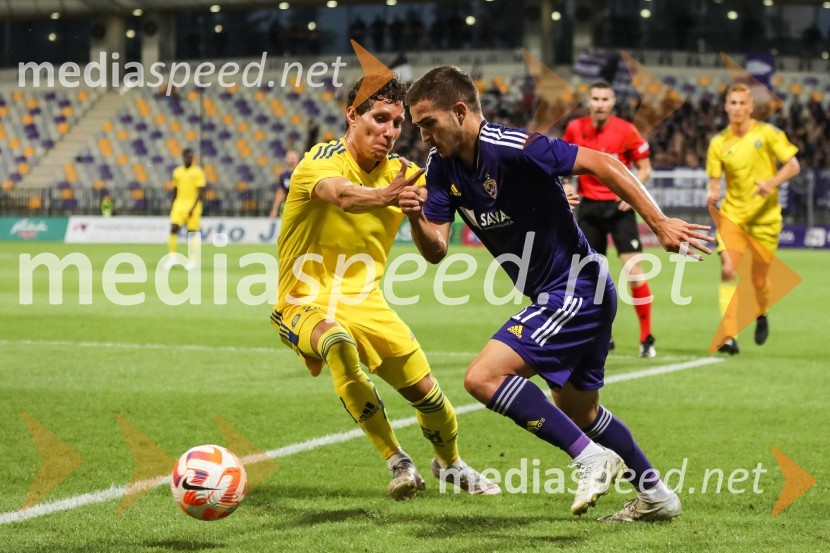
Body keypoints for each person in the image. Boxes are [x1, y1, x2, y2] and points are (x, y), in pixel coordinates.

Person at [403, 66, 711, 521]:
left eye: (428, 123)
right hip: (573, 292)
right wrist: (415, 217)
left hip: (574, 287)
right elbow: (436, 250)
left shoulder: (513, 147)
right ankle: (656, 495)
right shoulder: (441, 166)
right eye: (418, 127)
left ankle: (589, 458)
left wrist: (659, 223)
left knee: (483, 378)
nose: (423, 136)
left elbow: (604, 163)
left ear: (460, 111)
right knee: (581, 413)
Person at [270, 76, 499, 500]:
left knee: (431, 399)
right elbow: (343, 196)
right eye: (379, 119)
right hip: (303, 302)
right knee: (337, 343)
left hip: (368, 304)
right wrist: (389, 196)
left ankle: (450, 464)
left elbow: (440, 242)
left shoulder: (406, 175)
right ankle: (398, 461)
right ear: (352, 116)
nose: (390, 132)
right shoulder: (319, 160)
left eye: (397, 123)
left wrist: (414, 215)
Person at [562, 81, 656, 358]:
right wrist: (567, 185)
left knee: (634, 271)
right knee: (592, 276)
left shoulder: (626, 130)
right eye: (596, 98)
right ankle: (603, 333)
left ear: (613, 102)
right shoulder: (575, 128)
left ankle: (646, 337)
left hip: (619, 209)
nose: (600, 104)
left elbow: (645, 168)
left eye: (605, 99)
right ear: (588, 102)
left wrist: (633, 191)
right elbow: (564, 163)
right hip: (589, 209)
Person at [706, 83, 800, 354]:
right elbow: (714, 181)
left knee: (759, 281)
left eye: (741, 103)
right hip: (733, 215)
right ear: (726, 107)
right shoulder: (718, 143)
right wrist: (713, 192)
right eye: (732, 103)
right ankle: (729, 335)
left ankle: (762, 313)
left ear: (750, 107)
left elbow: (793, 165)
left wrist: (771, 183)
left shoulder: (767, 133)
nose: (737, 108)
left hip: (765, 218)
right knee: (728, 269)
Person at [164, 148, 205, 270]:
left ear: (192, 158)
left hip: (193, 206)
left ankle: (193, 260)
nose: (188, 159)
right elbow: (175, 190)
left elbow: (200, 192)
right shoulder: (177, 172)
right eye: (186, 156)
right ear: (183, 157)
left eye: (190, 157)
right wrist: (172, 205)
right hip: (179, 205)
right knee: (173, 228)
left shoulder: (197, 172)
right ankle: (172, 258)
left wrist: (193, 208)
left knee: (192, 232)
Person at [269, 150, 299, 220]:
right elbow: (280, 192)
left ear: (298, 158)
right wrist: (275, 210)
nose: (292, 159)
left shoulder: (303, 173)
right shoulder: (283, 175)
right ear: (286, 159)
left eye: (293, 157)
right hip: (288, 205)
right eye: (290, 157)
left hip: (301, 204)